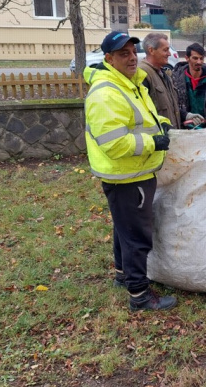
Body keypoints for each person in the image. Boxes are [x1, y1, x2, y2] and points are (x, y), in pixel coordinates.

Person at [84, 31, 177, 311]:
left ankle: (123, 275)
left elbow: (144, 117)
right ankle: (139, 295)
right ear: (109, 59)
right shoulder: (106, 93)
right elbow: (114, 143)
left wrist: (163, 124)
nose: (131, 58)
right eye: (123, 54)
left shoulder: (130, 84)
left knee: (124, 227)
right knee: (137, 234)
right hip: (127, 175)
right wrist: (153, 142)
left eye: (132, 52)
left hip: (133, 172)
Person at [138, 33, 204, 129]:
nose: (169, 54)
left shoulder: (164, 74)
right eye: (165, 50)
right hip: (158, 140)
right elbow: (142, 114)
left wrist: (186, 115)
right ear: (151, 50)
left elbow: (170, 107)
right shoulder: (143, 74)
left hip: (171, 137)